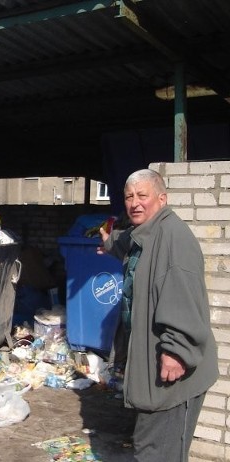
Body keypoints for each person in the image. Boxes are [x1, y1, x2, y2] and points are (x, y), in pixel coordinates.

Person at [99, 168, 218, 461]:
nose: (135, 203)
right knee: (154, 448)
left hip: (171, 370)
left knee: (156, 451)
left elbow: (185, 299)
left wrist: (177, 351)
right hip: (151, 366)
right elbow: (128, 241)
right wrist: (109, 242)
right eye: (129, 197)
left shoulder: (173, 238)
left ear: (162, 199)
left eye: (143, 195)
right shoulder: (147, 233)